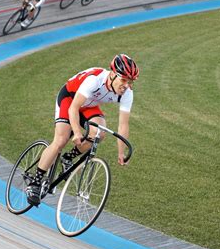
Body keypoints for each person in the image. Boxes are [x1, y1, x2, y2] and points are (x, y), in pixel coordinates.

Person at [26, 54, 140, 206]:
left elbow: (123, 125)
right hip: (70, 99)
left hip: (89, 106)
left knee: (99, 132)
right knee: (61, 139)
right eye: (124, 80)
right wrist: (77, 132)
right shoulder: (95, 80)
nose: (126, 85)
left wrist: (121, 152)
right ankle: (35, 182)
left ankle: (68, 158)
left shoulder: (127, 93)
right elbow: (73, 107)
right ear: (112, 74)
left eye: (130, 81)